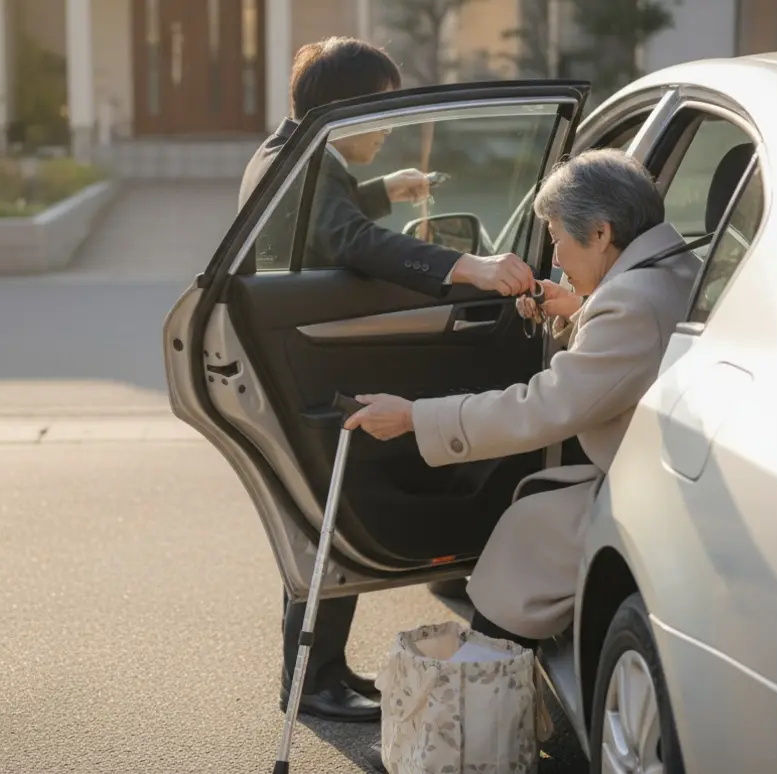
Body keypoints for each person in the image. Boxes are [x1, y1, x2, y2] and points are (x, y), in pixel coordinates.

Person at [343, 148, 700, 770]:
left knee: (514, 559)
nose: (554, 258)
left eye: (559, 239)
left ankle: (468, 738)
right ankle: (488, 719)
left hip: (635, 486)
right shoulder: (671, 269)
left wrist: (416, 417)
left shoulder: (630, 303)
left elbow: (543, 407)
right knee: (521, 535)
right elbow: (621, 363)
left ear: (601, 232)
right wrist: (579, 312)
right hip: (650, 470)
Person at [237, 36, 536, 725]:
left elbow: (324, 219)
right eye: (385, 110)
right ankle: (311, 684)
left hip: (294, 356)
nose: (393, 125)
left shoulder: (287, 152)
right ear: (343, 111)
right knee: (331, 515)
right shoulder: (308, 162)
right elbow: (350, 242)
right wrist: (473, 270)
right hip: (305, 363)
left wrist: (384, 190)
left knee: (326, 515)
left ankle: (322, 672)